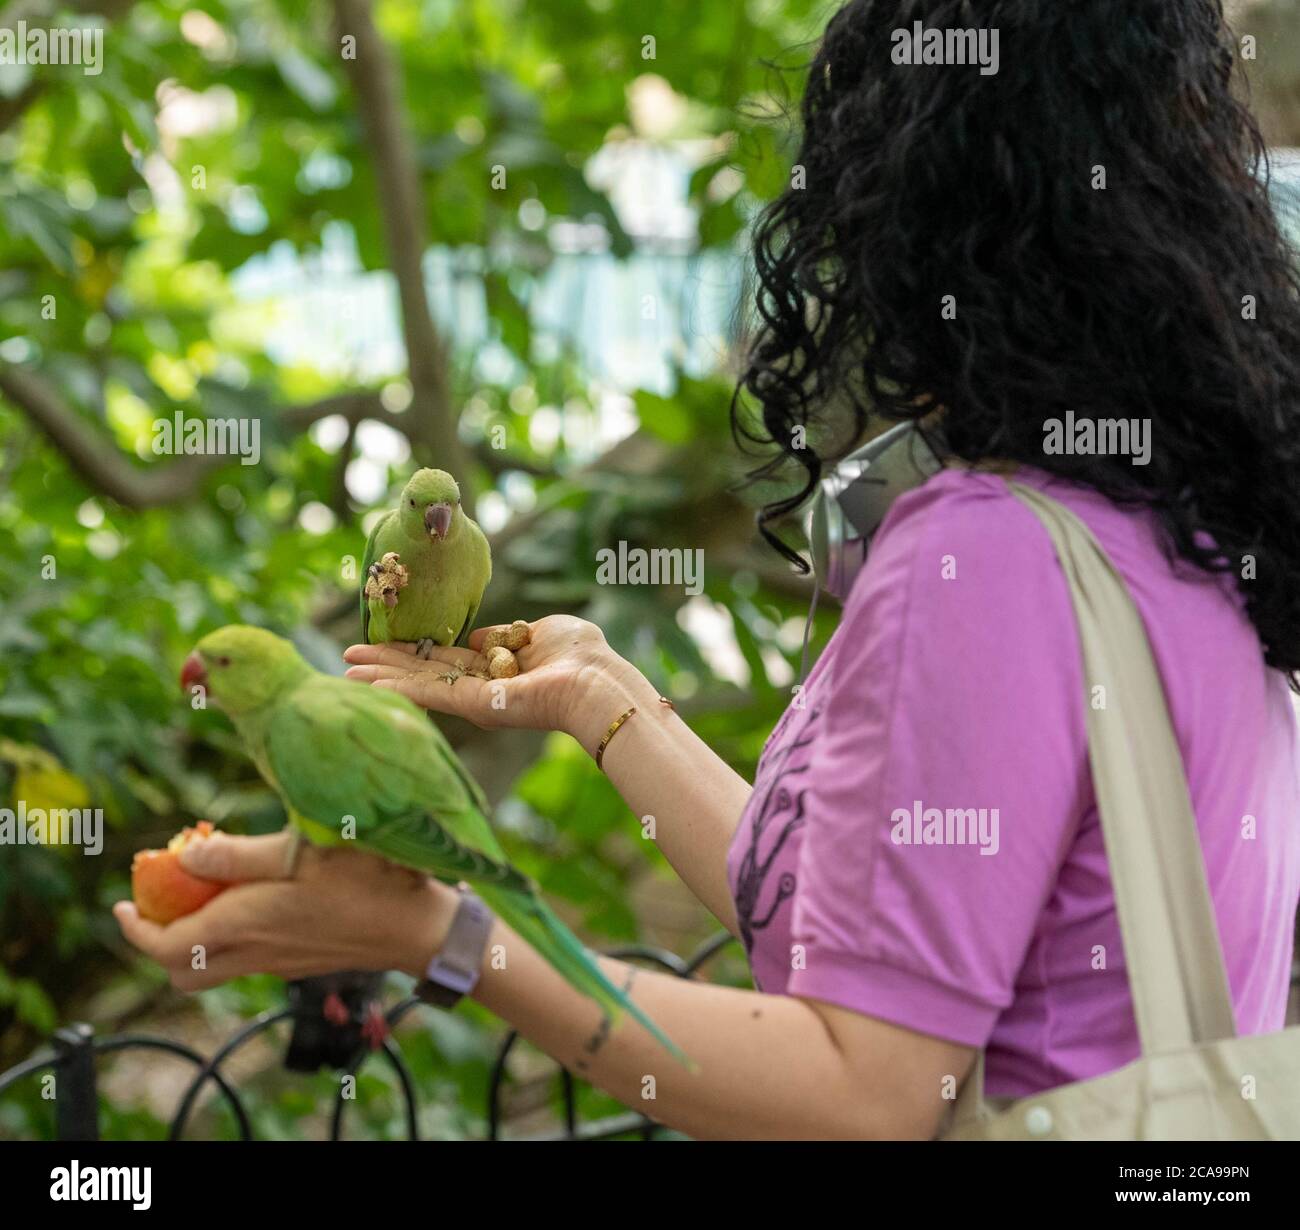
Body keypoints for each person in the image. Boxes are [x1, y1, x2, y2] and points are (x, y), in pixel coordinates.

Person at [116, 0, 1300, 1140]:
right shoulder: (1182, 522)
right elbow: (876, 944)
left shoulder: (989, 557)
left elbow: (860, 1097)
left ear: (912, 213)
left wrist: (442, 934)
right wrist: (603, 701)